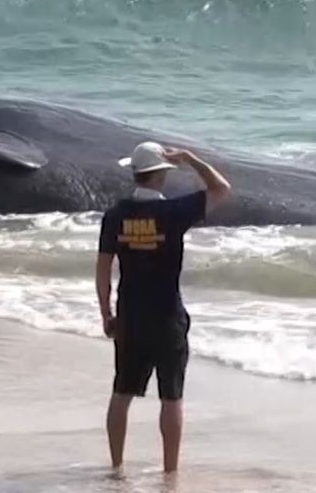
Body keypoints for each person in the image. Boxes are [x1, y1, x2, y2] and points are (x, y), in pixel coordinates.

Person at [96, 141, 231, 474]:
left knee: (121, 392)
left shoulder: (115, 216)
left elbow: (102, 269)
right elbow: (220, 188)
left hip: (130, 315)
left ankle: (116, 467)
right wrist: (189, 158)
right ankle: (170, 472)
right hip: (168, 315)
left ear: (136, 174)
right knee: (171, 397)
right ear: (161, 175)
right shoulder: (173, 213)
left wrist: (106, 313)